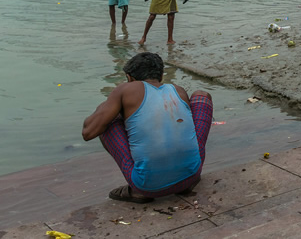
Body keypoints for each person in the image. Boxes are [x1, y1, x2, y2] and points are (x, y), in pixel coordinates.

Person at [82, 52, 212, 203]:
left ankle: (137, 192)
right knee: (201, 96)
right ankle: (183, 178)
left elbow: (89, 132)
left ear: (129, 78)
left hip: (148, 187)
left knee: (107, 119)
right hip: (192, 174)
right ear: (161, 77)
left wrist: (112, 107)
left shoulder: (125, 89)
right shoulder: (178, 90)